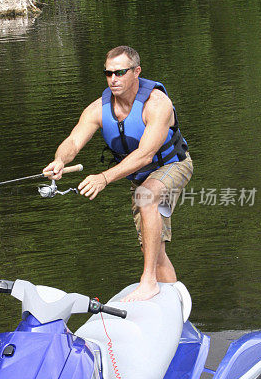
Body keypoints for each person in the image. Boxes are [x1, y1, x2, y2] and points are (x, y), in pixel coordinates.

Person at [43, 45, 193, 301]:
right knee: (153, 252)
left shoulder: (157, 104)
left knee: (146, 196)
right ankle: (178, 309)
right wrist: (59, 160)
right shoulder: (97, 110)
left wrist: (103, 178)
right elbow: (74, 141)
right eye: (108, 73)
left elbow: (146, 155)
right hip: (139, 176)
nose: (113, 79)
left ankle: (148, 283)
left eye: (120, 72)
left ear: (136, 72)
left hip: (172, 166)